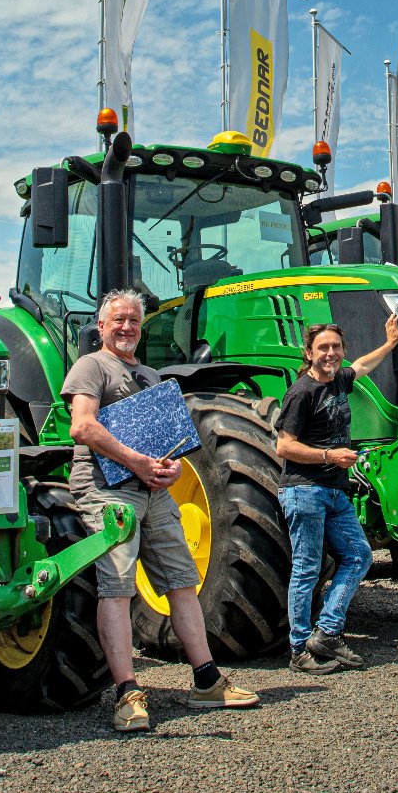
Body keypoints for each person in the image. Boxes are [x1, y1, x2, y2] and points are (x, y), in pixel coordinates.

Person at [64, 289, 259, 732]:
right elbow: (82, 426)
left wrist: (169, 469)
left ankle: (207, 681)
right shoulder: (91, 366)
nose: (127, 327)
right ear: (101, 326)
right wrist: (137, 462)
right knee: (117, 586)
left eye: (134, 320)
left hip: (153, 490)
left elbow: (164, 441)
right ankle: (127, 694)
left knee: (182, 580)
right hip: (107, 489)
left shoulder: (150, 375)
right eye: (118, 320)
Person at [275, 315, 398, 672]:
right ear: (309, 353)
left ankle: (328, 632)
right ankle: (299, 649)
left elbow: (362, 366)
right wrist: (329, 456)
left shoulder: (339, 380)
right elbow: (283, 446)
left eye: (336, 347)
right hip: (304, 490)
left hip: (334, 490)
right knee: (307, 569)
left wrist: (389, 344)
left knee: (359, 556)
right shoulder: (301, 392)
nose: (330, 353)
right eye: (323, 348)